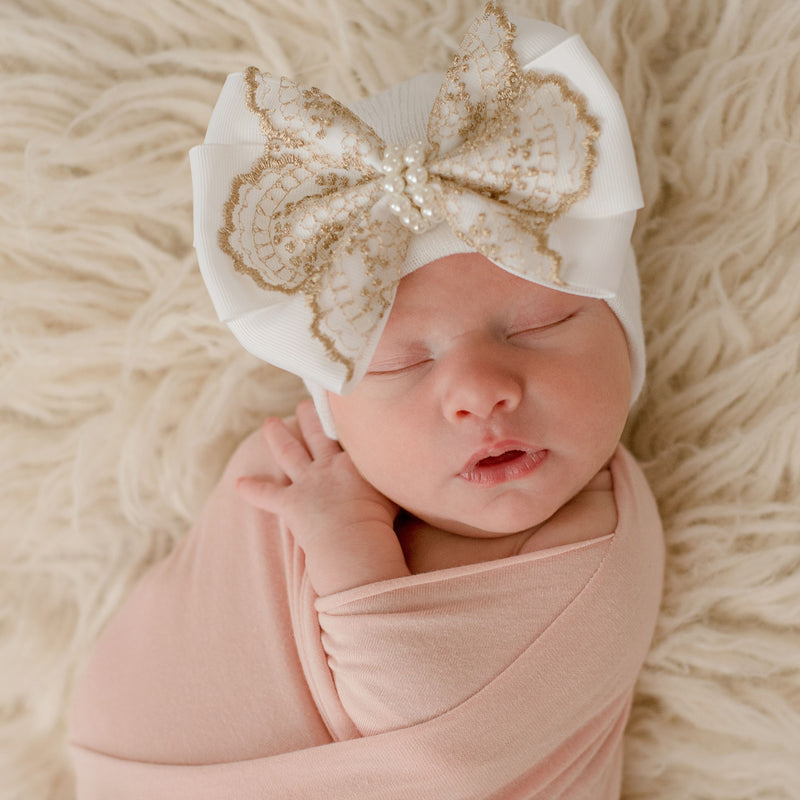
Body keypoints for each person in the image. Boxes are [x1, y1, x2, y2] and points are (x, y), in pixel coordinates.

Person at [69, 4, 664, 798]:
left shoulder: (593, 546)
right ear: (331, 407)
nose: (479, 391)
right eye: (399, 365)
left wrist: (345, 538)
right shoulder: (326, 457)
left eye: (540, 322)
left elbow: (437, 746)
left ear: (624, 338)